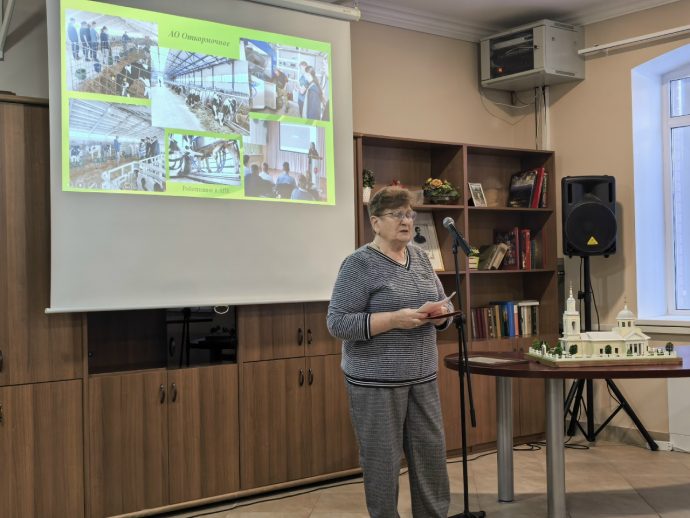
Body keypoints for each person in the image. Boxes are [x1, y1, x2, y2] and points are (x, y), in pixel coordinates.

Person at [327, 186, 452, 518]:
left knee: (431, 457)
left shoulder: (421, 258)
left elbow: (443, 307)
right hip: (376, 383)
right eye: (397, 215)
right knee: (382, 463)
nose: (406, 221)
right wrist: (393, 320)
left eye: (409, 214)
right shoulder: (359, 264)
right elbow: (338, 323)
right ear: (375, 222)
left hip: (423, 378)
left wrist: (441, 317)